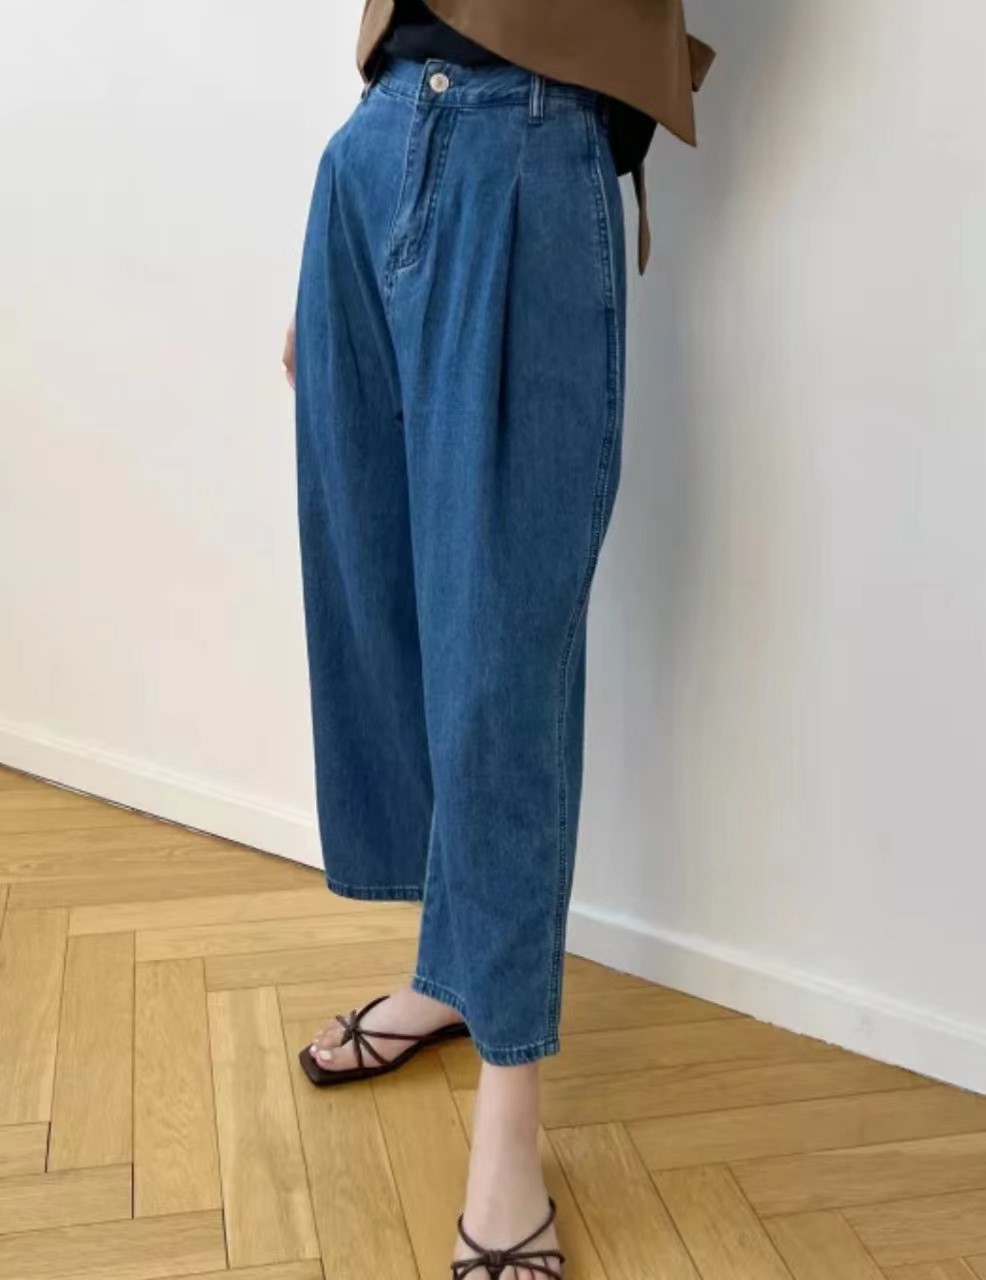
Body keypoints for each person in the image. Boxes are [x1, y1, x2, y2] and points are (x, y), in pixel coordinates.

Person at [283, 2, 713, 1275]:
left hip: (527, 149)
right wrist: (359, 214)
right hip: (376, 142)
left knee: (500, 664)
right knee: (381, 607)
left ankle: (509, 1122)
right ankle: (450, 967)